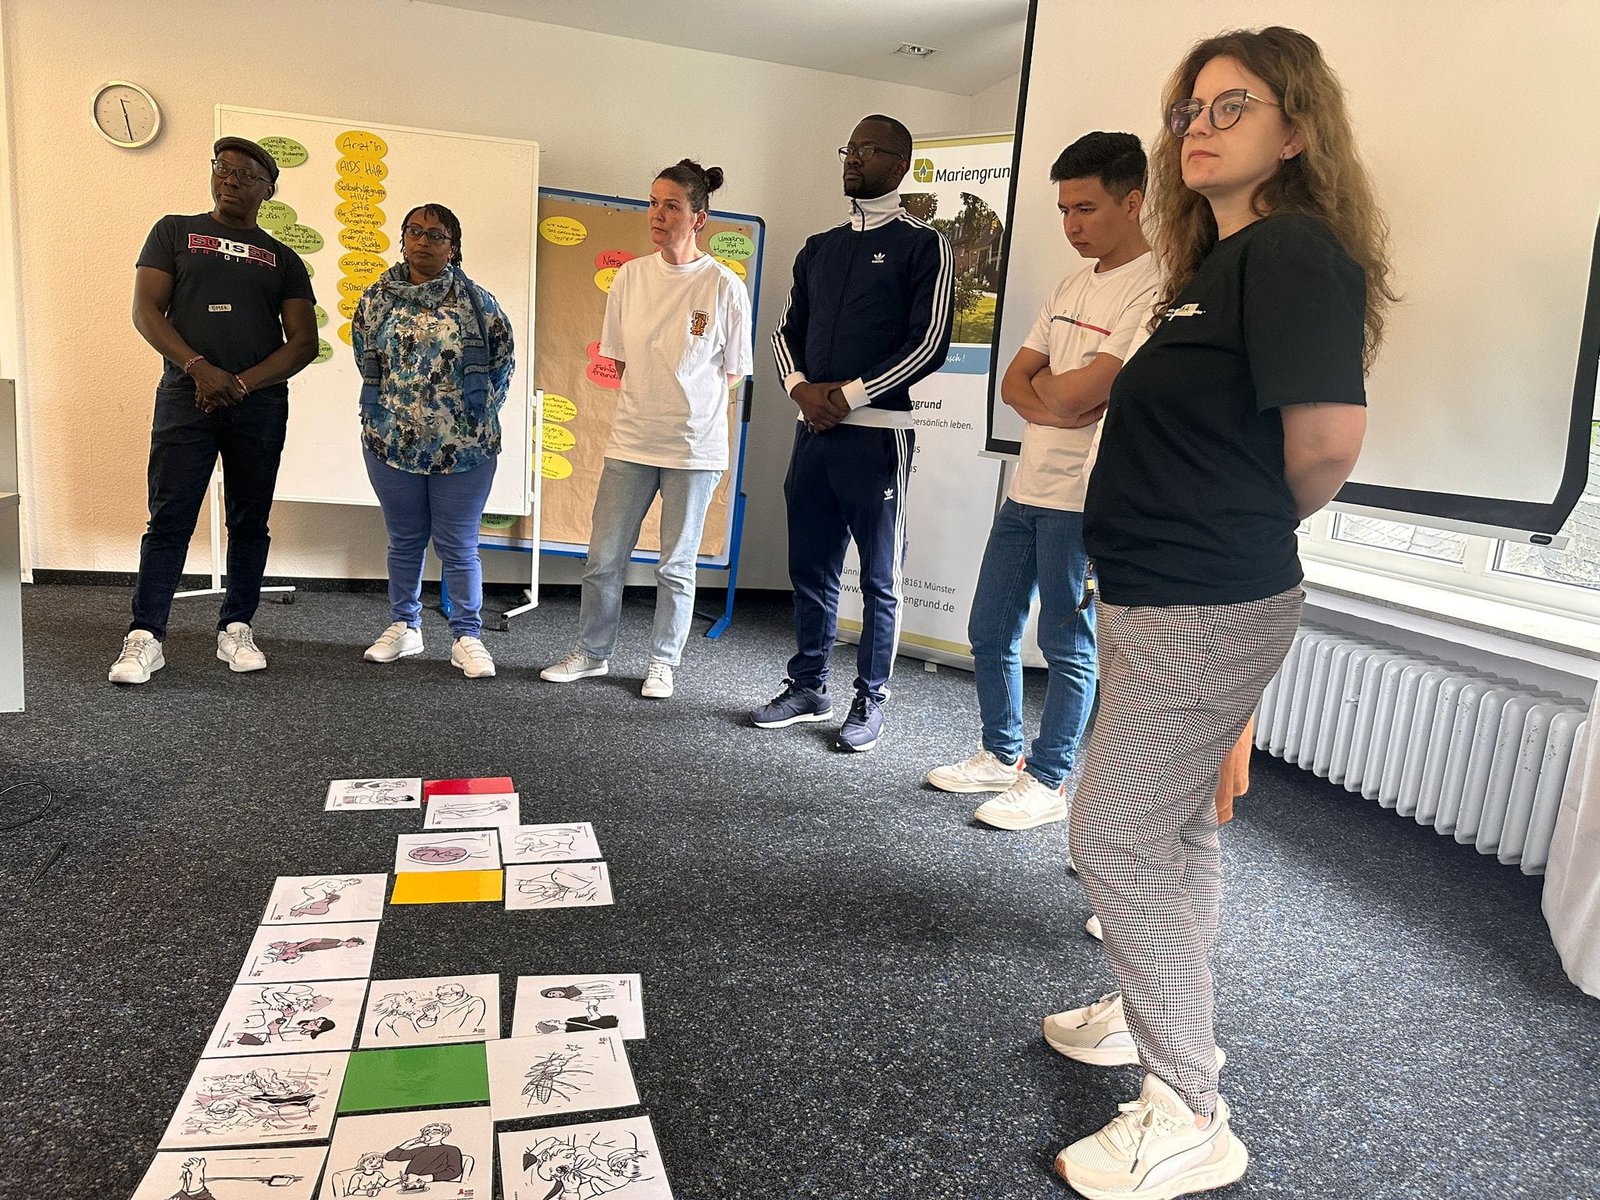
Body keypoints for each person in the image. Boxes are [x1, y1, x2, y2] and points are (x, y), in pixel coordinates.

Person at [1047, 27, 1394, 1199]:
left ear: (1295, 130)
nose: (1199, 125)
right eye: (1189, 108)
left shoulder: (1292, 250)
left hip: (1206, 596)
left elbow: (1326, 445)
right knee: (1180, 827)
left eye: (1231, 105)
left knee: (1110, 836)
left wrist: (1228, 532)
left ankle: (1188, 1109)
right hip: (1157, 590)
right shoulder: (1214, 265)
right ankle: (1154, 1009)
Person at [925, 132, 1158, 830]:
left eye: (1085, 208)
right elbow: (1016, 385)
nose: (1071, 225)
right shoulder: (1068, 286)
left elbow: (1092, 388)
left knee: (1066, 647)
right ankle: (1002, 755)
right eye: (1063, 210)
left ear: (1132, 202)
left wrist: (1060, 391)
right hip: (1025, 490)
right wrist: (1064, 398)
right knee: (989, 629)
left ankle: (1049, 781)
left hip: (1081, 500)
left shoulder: (1155, 287)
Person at [753, 114, 954, 752]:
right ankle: (808, 684)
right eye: (848, 148)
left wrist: (850, 396)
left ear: (900, 164)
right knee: (810, 568)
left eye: (867, 150)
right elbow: (785, 332)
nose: (852, 159)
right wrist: (800, 390)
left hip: (878, 437)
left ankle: (871, 698)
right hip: (812, 432)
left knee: (878, 578)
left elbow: (930, 343)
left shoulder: (925, 245)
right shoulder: (819, 248)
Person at [541, 161, 752, 700]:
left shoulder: (725, 286)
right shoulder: (630, 277)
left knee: (676, 566)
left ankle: (662, 663)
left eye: (671, 206)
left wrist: (684, 404)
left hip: (694, 448)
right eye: (653, 203)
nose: (657, 215)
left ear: (698, 217)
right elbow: (622, 360)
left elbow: (731, 373)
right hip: (631, 441)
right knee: (603, 558)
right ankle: (592, 653)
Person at [109, 137, 317, 685]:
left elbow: (303, 343)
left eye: (246, 175)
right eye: (223, 168)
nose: (230, 180)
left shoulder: (284, 258)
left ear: (268, 190)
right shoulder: (173, 232)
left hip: (259, 403)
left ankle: (236, 627)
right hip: (186, 395)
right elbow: (146, 311)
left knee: (250, 519)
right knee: (170, 516)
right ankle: (146, 636)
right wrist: (199, 369)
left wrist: (239, 384)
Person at [352, 203, 515, 679]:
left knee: (458, 546)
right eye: (414, 231)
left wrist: (465, 417)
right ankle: (405, 626)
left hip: (464, 448)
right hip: (390, 442)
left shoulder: (478, 304)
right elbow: (365, 357)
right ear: (403, 238)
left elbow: (502, 363)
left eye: (436, 234)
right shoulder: (377, 298)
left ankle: (467, 637)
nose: (423, 241)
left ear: (453, 246)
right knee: (404, 541)